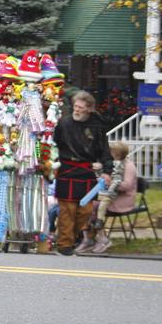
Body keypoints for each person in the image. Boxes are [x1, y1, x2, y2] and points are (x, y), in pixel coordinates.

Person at [53, 90, 112, 256]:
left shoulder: (97, 126)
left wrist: (106, 170)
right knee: (67, 211)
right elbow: (53, 145)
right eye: (75, 106)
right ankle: (64, 244)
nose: (76, 110)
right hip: (66, 170)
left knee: (85, 211)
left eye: (80, 107)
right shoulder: (63, 124)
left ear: (89, 109)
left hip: (86, 172)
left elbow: (105, 151)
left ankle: (74, 237)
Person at [79, 141, 136, 255]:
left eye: (110, 152)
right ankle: (88, 238)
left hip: (121, 198)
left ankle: (102, 239)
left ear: (117, 153)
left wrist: (109, 183)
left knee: (95, 207)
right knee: (86, 206)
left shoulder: (128, 166)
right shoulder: (112, 163)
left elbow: (127, 185)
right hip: (107, 195)